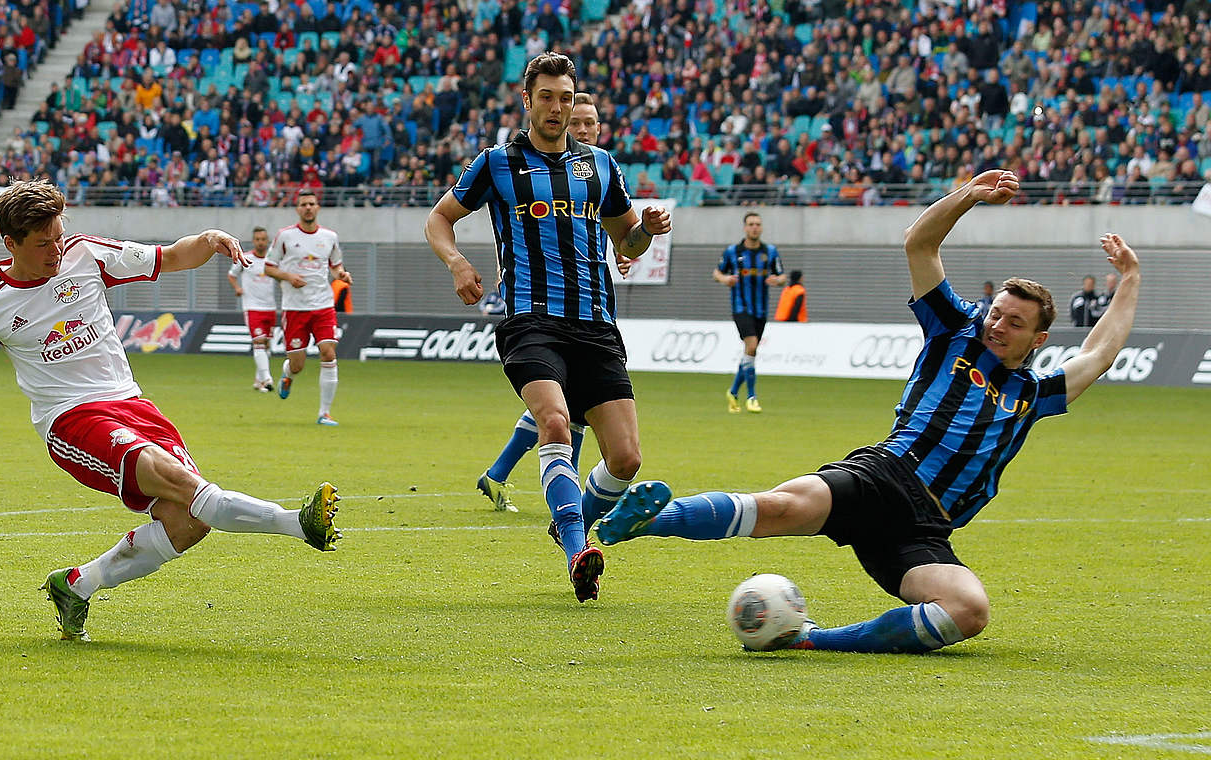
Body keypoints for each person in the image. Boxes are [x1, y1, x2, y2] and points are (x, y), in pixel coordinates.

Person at [595, 170, 1142, 654]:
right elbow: (919, 244)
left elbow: (1097, 354)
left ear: (1039, 337)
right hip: (886, 475)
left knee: (969, 610)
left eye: (1014, 323)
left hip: (926, 528)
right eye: (997, 313)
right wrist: (967, 196)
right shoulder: (954, 330)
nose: (998, 326)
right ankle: (649, 521)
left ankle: (809, 637)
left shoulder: (1034, 392)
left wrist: (1131, 281)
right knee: (781, 508)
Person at [0, 180, 341, 642]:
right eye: (43, 243)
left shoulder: (85, 254)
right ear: (11, 243)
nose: (56, 249)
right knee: (188, 486)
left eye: (59, 236)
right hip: (72, 418)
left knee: (188, 522)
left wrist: (208, 240)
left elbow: (169, 257)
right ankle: (298, 523)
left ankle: (76, 585)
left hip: (132, 403)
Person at [425, 53, 671, 602]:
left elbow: (625, 241)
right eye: (547, 97)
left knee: (626, 459)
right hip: (530, 321)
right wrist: (458, 263)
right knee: (555, 422)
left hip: (596, 326)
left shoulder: (601, 166)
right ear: (527, 100)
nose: (557, 107)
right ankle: (577, 552)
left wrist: (647, 232)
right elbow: (439, 218)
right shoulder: (496, 163)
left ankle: (571, 522)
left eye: (566, 97)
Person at [474, 90, 628, 514]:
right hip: (536, 315)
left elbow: (620, 233)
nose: (579, 127)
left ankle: (502, 474)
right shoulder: (505, 162)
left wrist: (629, 244)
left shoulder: (599, 168)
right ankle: (568, 511)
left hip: (593, 318)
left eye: (588, 123)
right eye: (574, 120)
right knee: (559, 416)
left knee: (585, 426)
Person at [265, 190, 353, 425]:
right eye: (304, 204)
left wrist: (342, 275)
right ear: (298, 208)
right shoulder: (285, 236)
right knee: (298, 364)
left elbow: (335, 267)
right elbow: (269, 268)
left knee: (328, 352)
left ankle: (324, 413)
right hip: (295, 308)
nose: (308, 208)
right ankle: (287, 374)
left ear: (318, 207)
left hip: (323, 305)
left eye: (312, 204)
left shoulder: (330, 237)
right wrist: (288, 276)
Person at [713, 212, 787, 413]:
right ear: (745, 227)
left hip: (761, 309)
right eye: (751, 224)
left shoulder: (770, 252)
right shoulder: (733, 252)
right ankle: (752, 397)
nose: (755, 227)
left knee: (750, 351)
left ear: (761, 228)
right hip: (740, 307)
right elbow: (717, 272)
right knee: (752, 345)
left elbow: (782, 276)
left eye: (758, 224)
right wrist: (724, 279)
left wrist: (777, 280)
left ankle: (734, 391)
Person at [227, 226, 280, 392]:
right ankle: (267, 379)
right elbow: (231, 274)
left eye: (263, 239)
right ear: (253, 241)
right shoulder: (246, 258)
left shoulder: (272, 260)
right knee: (258, 342)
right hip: (252, 306)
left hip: (270, 306)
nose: (260, 242)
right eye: (257, 239)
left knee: (266, 344)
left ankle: (259, 381)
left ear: (267, 241)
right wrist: (237, 288)